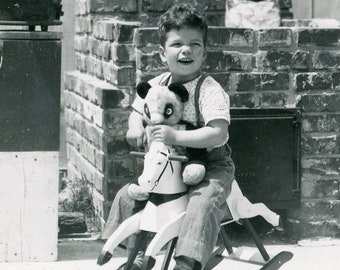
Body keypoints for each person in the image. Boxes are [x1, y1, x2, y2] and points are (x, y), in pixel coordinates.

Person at [102, 4, 235, 270]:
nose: (186, 50)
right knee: (132, 195)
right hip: (166, 166)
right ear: (163, 54)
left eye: (195, 44)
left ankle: (187, 261)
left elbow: (219, 133)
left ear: (204, 53)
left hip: (207, 164)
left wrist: (176, 135)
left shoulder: (208, 89)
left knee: (203, 200)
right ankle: (137, 252)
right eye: (177, 44)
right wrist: (135, 127)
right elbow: (137, 112)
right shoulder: (156, 84)